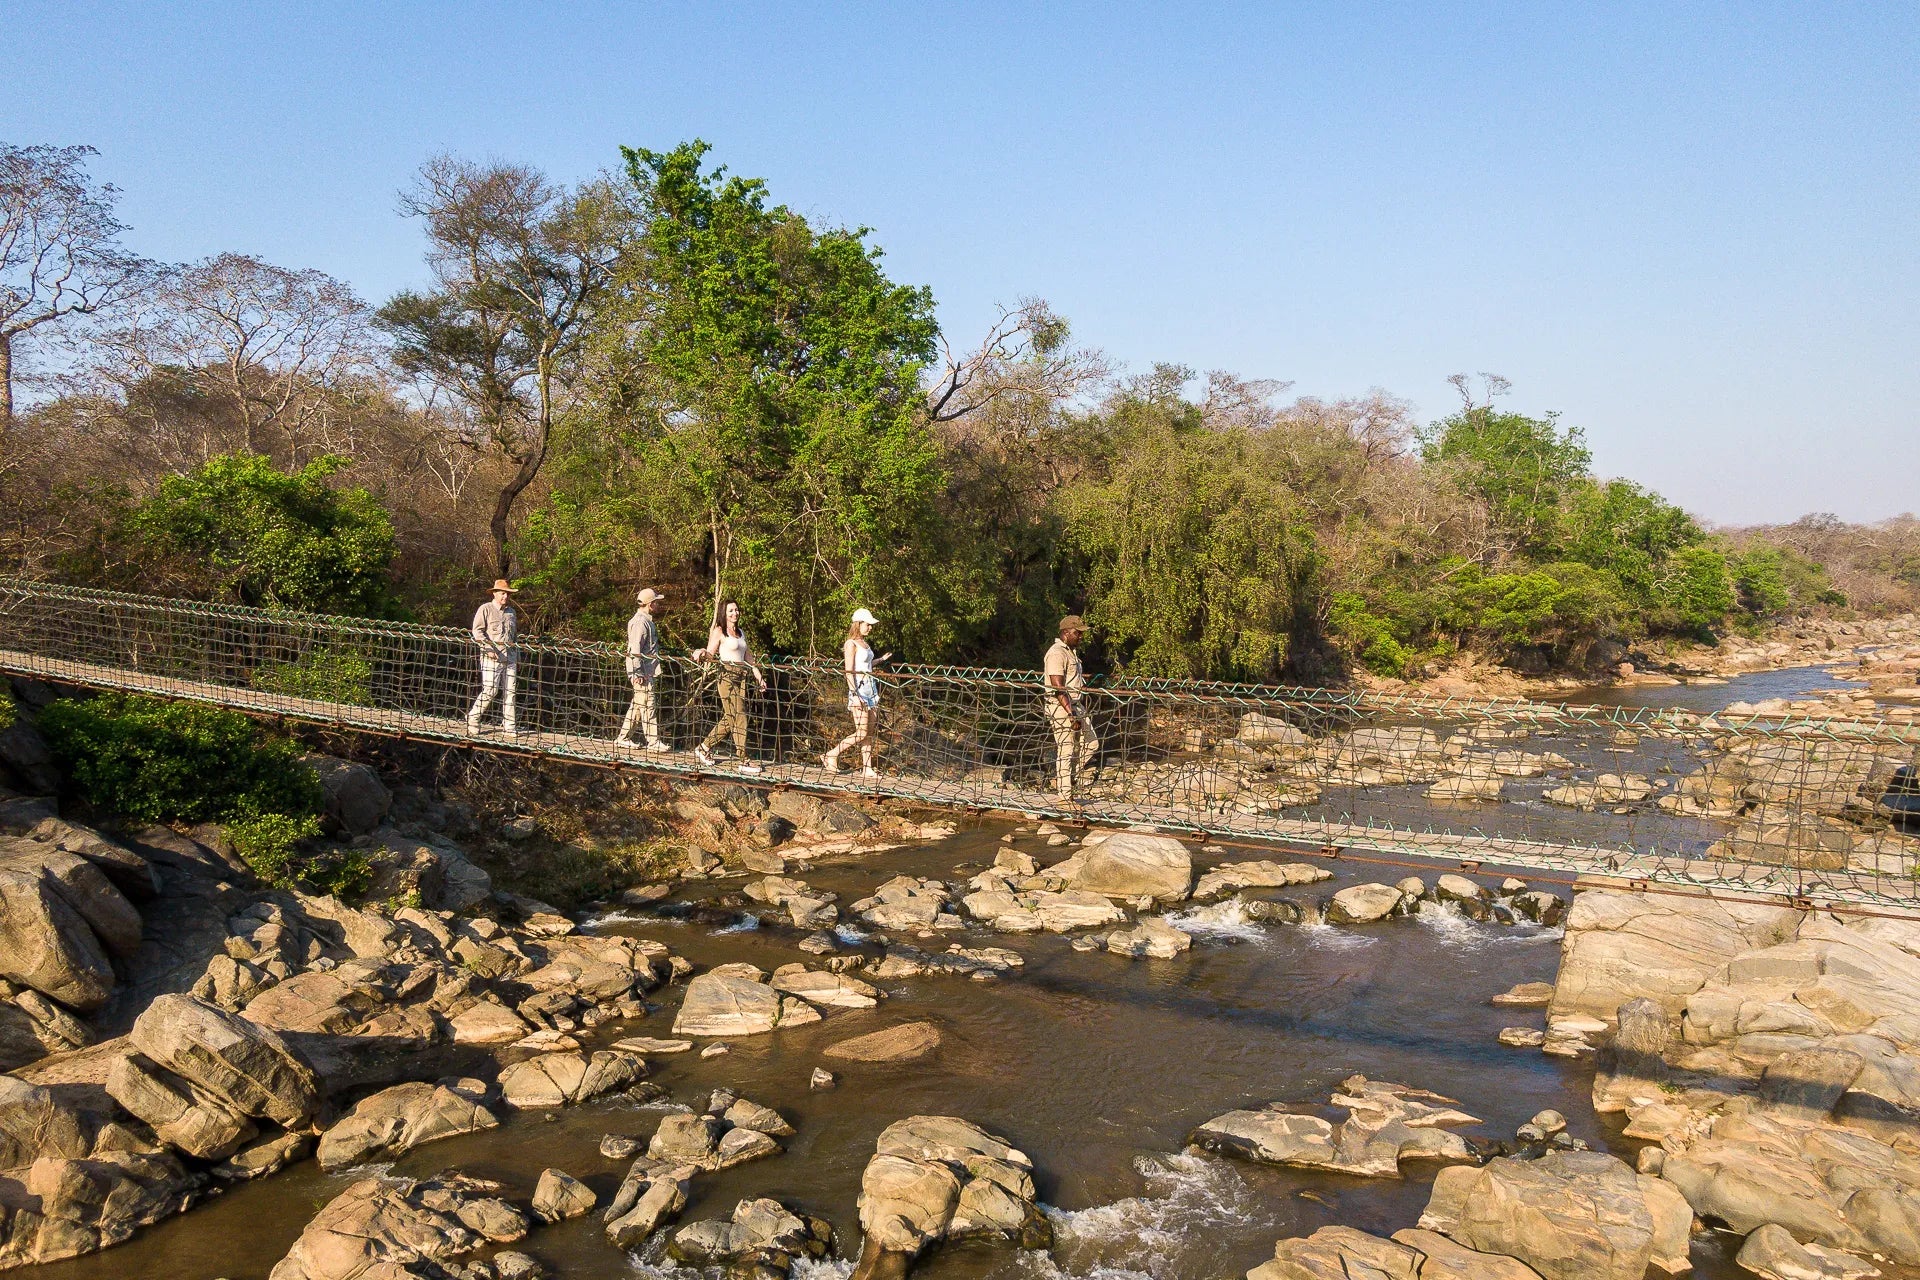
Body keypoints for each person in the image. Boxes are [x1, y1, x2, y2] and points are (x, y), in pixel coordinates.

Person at [693, 599, 767, 773]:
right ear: (724, 614)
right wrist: (700, 652)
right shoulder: (719, 631)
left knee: (730, 717)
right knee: (740, 715)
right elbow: (710, 653)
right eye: (731, 611)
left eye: (736, 610)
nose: (735, 613)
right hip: (726, 676)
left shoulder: (741, 632)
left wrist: (759, 678)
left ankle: (703, 747)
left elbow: (749, 659)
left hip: (741, 677)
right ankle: (744, 760)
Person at [823, 607, 890, 777]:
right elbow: (849, 671)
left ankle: (867, 767)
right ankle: (831, 754)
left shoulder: (865, 644)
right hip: (859, 691)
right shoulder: (850, 644)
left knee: (869, 731)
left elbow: (866, 666)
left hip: (871, 690)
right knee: (861, 732)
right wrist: (855, 694)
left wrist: (881, 660)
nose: (870, 627)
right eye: (868, 624)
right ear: (858, 624)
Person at [1043, 614, 1099, 798]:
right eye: (1078, 633)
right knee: (1066, 749)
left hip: (1076, 704)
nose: (1081, 637)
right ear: (1066, 633)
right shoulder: (1056, 653)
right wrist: (1071, 714)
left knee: (1092, 743)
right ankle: (1065, 796)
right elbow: (1058, 686)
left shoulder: (1070, 652)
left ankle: (1067, 775)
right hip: (1062, 706)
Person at [614, 587, 672, 751]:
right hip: (642, 672)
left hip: (645, 670)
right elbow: (635, 649)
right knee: (648, 705)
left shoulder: (646, 620)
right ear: (650, 604)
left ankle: (623, 738)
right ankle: (653, 742)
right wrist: (638, 672)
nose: (659, 605)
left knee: (639, 706)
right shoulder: (641, 622)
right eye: (656, 602)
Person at [466, 579, 520, 736]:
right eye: (503, 593)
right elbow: (477, 631)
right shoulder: (486, 609)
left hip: (510, 657)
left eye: (507, 594)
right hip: (492, 658)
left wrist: (517, 656)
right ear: (495, 593)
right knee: (490, 690)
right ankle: (473, 718)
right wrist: (487, 648)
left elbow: (514, 636)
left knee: (511, 691)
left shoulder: (512, 612)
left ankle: (509, 725)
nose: (505, 596)